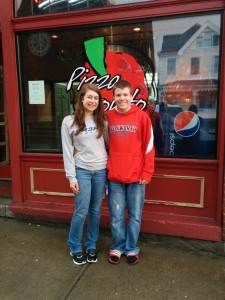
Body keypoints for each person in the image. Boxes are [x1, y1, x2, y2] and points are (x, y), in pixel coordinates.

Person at [106, 80, 155, 265]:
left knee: (135, 215)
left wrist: (147, 172)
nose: (122, 98)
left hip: (137, 177)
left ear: (131, 96)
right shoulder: (107, 116)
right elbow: (100, 143)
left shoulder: (142, 117)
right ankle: (118, 246)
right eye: (118, 95)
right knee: (117, 216)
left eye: (125, 94)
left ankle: (132, 248)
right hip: (115, 176)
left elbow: (149, 147)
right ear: (114, 96)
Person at [61, 84, 108, 265]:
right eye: (89, 97)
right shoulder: (69, 121)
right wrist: (71, 177)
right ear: (81, 98)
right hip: (81, 171)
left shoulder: (102, 120)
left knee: (95, 211)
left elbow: (108, 146)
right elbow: (67, 151)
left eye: (96, 98)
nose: (92, 101)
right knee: (81, 211)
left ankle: (91, 245)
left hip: (101, 171)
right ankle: (74, 246)